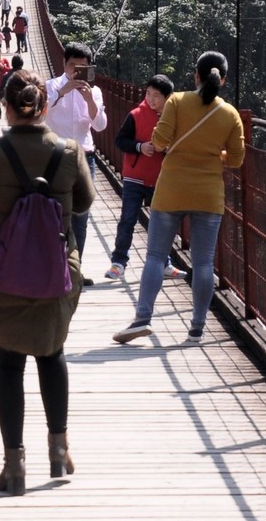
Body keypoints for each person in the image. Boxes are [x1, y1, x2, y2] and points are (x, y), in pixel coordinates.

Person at [0, 70, 95, 496]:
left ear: (7, 106)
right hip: (55, 274)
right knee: (52, 355)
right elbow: (86, 201)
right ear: (45, 107)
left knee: (8, 366)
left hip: (3, 276)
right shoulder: (69, 152)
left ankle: (14, 468)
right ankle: (59, 450)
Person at [113, 51, 245, 346]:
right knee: (203, 264)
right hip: (208, 195)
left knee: (156, 256)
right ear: (222, 80)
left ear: (195, 75)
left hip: (171, 189)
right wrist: (212, 153)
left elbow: (159, 142)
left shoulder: (176, 101)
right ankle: (197, 329)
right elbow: (236, 159)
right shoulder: (230, 114)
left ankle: (142, 318)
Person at [44, 45, 106, 283]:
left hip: (84, 158)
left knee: (81, 215)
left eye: (82, 68)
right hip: (54, 158)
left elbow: (99, 125)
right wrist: (61, 92)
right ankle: (55, 270)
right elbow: (38, 115)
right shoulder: (50, 87)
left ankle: (74, 271)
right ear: (64, 63)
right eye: (73, 66)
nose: (76, 72)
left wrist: (89, 99)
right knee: (54, 216)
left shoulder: (95, 91)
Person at [105, 74, 175, 281]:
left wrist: (168, 148)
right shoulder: (135, 114)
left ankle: (165, 263)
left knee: (162, 222)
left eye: (156, 96)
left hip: (161, 178)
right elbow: (120, 140)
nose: (151, 99)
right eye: (148, 94)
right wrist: (139, 147)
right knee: (127, 220)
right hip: (134, 177)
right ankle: (118, 263)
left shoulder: (174, 118)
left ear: (168, 98)